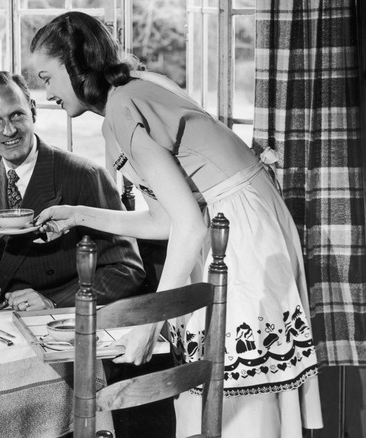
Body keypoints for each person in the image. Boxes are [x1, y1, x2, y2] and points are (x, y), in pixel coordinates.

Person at [30, 11, 322, 438]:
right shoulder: (135, 89)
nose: (46, 91)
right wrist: (78, 215)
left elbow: (189, 227)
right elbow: (167, 220)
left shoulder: (123, 110)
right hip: (240, 221)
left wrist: (150, 322)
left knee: (238, 400)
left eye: (47, 77)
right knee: (220, 389)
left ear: (76, 67)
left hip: (236, 235)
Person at [0, 71, 175, 437]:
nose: (8, 130)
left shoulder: (82, 175)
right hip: (18, 335)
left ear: (34, 112)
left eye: (16, 115)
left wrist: (53, 303)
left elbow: (126, 270)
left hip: (84, 336)